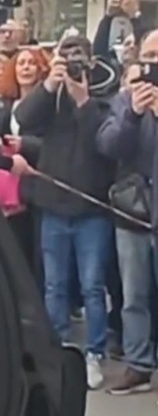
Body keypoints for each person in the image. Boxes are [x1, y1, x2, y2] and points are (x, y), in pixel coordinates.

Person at [17, 35, 116, 389]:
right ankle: (56, 348)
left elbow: (104, 144)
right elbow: (23, 118)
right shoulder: (52, 96)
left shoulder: (105, 94)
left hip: (91, 208)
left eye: (78, 57)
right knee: (54, 285)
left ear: (91, 60)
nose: (72, 63)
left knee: (92, 287)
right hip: (53, 205)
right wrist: (49, 85)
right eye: (66, 56)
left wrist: (83, 100)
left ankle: (94, 353)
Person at [97, 36, 158, 395]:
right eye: (149, 55)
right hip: (133, 214)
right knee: (133, 295)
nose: (152, 64)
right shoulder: (123, 100)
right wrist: (134, 114)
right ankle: (138, 364)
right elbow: (107, 145)